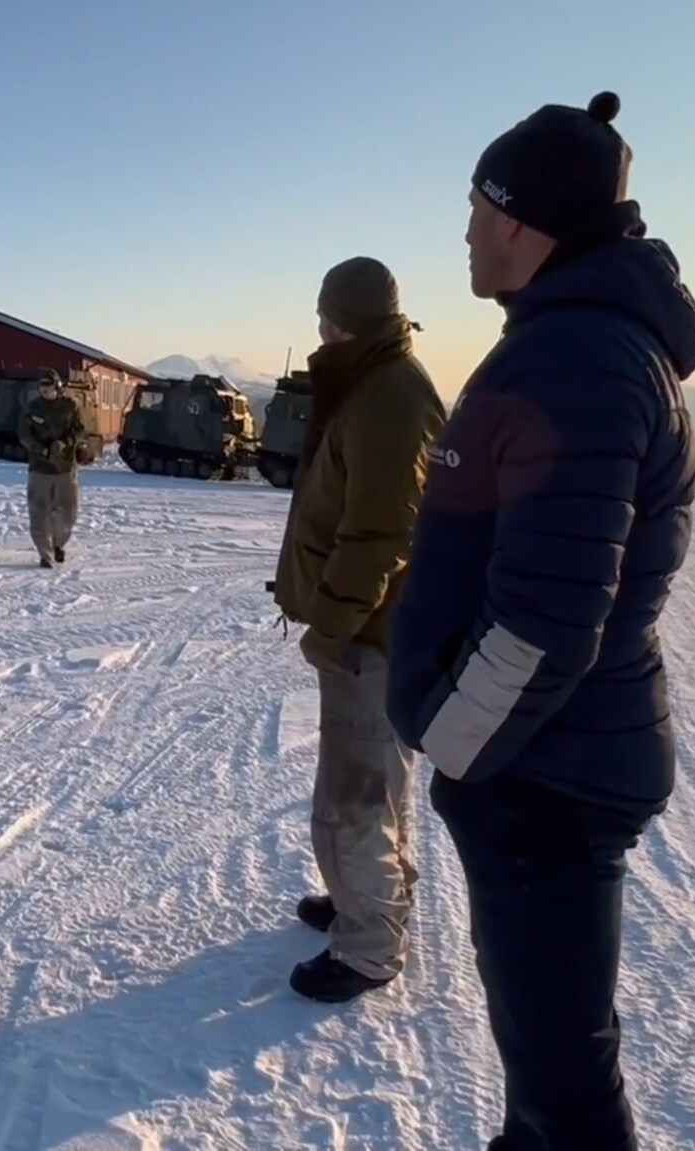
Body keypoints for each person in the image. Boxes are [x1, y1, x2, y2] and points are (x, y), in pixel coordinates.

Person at [385, 91, 695, 1150]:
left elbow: (547, 615)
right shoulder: (571, 339)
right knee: (546, 1057)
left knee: (565, 1082)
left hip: (544, 778)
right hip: (549, 765)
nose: (465, 231)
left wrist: (451, 740)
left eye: (476, 208)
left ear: (523, 221)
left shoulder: (573, 357)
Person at [272, 256, 446, 1003]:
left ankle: (370, 946)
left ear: (349, 319)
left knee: (355, 795)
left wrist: (335, 627)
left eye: (326, 315)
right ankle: (364, 901)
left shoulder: (388, 397)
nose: (318, 328)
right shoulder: (377, 380)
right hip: (376, 628)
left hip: (371, 635)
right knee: (375, 782)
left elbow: (380, 534)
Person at [17, 375, 82, 567]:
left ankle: (58, 544)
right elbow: (24, 435)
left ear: (58, 386)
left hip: (65, 467)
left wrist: (66, 443)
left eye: (49, 386)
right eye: (42, 386)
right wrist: (42, 450)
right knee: (39, 512)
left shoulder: (71, 406)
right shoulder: (32, 408)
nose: (45, 390)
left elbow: (80, 430)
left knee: (68, 511)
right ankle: (45, 554)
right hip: (40, 468)